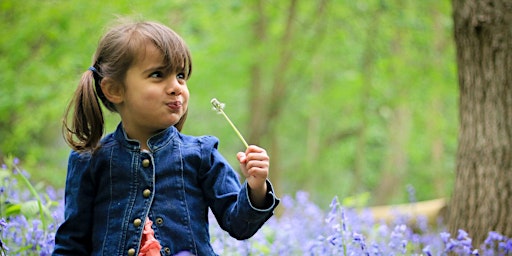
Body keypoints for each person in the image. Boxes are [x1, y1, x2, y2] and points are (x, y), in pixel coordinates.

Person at [53, 19, 279, 256]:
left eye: (180, 75)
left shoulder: (201, 154)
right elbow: (71, 244)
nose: (176, 87)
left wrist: (256, 186)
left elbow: (239, 225)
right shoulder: (90, 160)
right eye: (158, 75)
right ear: (115, 90)